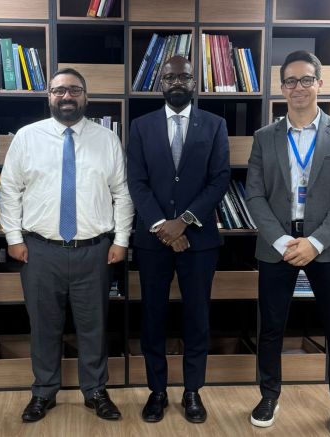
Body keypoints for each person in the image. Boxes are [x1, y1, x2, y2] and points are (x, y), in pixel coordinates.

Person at [0, 68, 133, 423]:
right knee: (44, 327)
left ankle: (96, 391)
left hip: (95, 250)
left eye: (74, 90)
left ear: (85, 97)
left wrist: (120, 240)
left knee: (94, 326)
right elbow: (9, 190)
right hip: (40, 250)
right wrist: (13, 238)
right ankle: (43, 392)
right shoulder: (27, 137)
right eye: (59, 91)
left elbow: (122, 193)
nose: (67, 96)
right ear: (49, 97)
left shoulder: (107, 140)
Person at [245, 50, 330, 437]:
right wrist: (282, 241)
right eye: (291, 81)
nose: (299, 87)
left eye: (306, 79)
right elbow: (254, 196)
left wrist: (315, 242)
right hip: (276, 245)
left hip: (326, 245)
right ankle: (269, 396)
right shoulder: (264, 137)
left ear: (319, 84)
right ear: (282, 88)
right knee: (270, 328)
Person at [127, 55, 231, 424]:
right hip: (153, 241)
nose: (177, 82)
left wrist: (183, 223)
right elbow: (136, 181)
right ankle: (157, 391)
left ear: (194, 82)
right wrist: (163, 226)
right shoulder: (140, 126)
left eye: (184, 77)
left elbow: (219, 179)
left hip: (199, 241)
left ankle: (192, 391)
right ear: (160, 84)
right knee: (153, 317)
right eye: (170, 77)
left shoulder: (215, 125)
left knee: (196, 317)